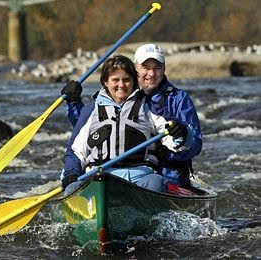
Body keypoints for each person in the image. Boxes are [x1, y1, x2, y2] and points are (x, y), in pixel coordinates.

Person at [61, 44, 202, 191]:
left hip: (163, 176)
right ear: (136, 70)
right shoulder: (96, 106)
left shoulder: (167, 101)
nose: (151, 74)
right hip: (103, 174)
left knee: (156, 182)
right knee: (73, 183)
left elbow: (191, 143)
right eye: (146, 68)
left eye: (157, 68)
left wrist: (180, 136)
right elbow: (88, 135)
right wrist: (74, 103)